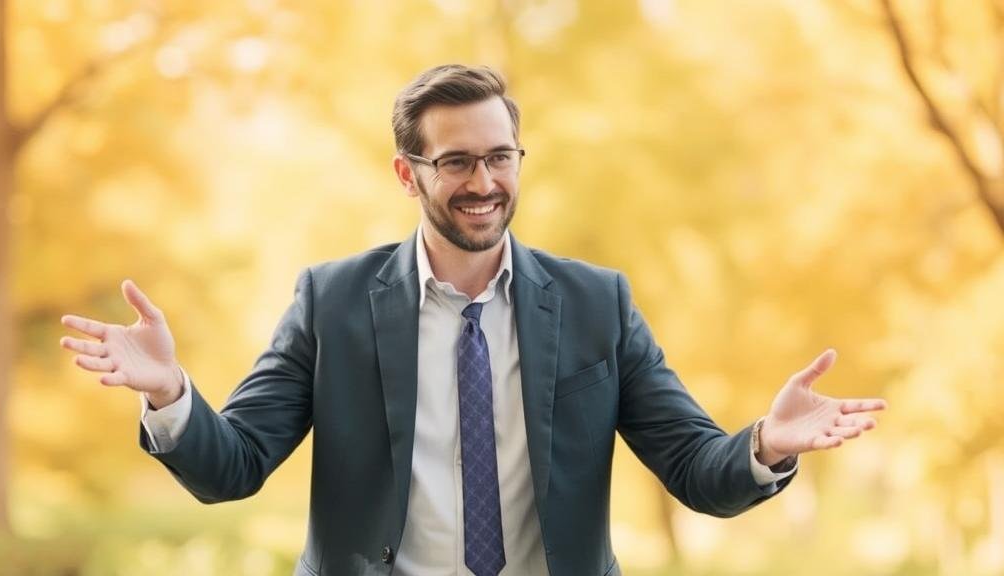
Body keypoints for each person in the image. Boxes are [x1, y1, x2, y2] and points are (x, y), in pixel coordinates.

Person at [60, 64, 887, 576]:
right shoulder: (334, 302)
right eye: (455, 160)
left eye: (499, 157)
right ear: (406, 172)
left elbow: (696, 468)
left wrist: (767, 446)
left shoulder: (599, 303)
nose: (483, 181)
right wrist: (170, 393)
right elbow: (232, 467)